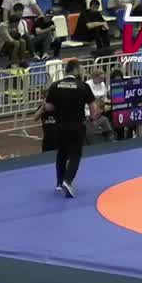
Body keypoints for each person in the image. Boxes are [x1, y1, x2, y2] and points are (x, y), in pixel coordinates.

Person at [44, 59, 94, 198]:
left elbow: (48, 107)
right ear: (76, 69)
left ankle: (59, 183)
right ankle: (68, 181)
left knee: (62, 153)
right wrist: (92, 119)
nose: (83, 71)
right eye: (81, 69)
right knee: (75, 155)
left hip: (60, 125)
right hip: (77, 125)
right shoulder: (83, 86)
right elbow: (93, 107)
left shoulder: (55, 85)